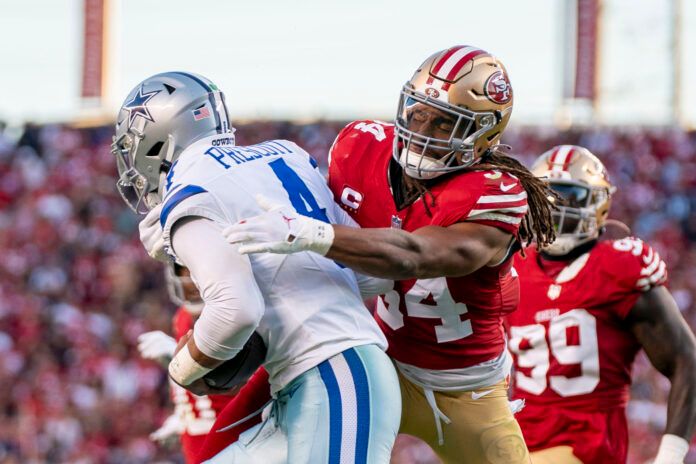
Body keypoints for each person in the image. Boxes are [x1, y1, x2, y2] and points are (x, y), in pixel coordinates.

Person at [225, 45, 557, 464]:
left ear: (484, 135)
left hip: (467, 390)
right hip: (381, 360)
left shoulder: (496, 193)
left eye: (444, 124)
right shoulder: (361, 146)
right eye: (419, 113)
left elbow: (412, 254)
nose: (423, 130)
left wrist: (309, 233)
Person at [112, 71, 401, 463]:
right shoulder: (287, 154)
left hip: (334, 375)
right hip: (316, 381)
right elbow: (368, 276)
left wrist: (182, 368)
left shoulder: (190, 191)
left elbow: (236, 309)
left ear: (159, 137)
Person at [505, 145, 696, 464]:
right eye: (547, 196)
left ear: (599, 205)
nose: (556, 208)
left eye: (570, 197)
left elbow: (686, 360)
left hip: (588, 448)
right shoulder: (514, 267)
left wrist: (670, 456)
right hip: (518, 442)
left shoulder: (618, 266)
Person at [137, 263, 265, 463]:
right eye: (184, 277)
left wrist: (186, 359)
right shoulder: (182, 318)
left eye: (195, 277)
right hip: (202, 442)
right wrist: (187, 416)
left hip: (239, 438)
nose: (191, 287)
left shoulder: (235, 315)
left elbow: (254, 383)